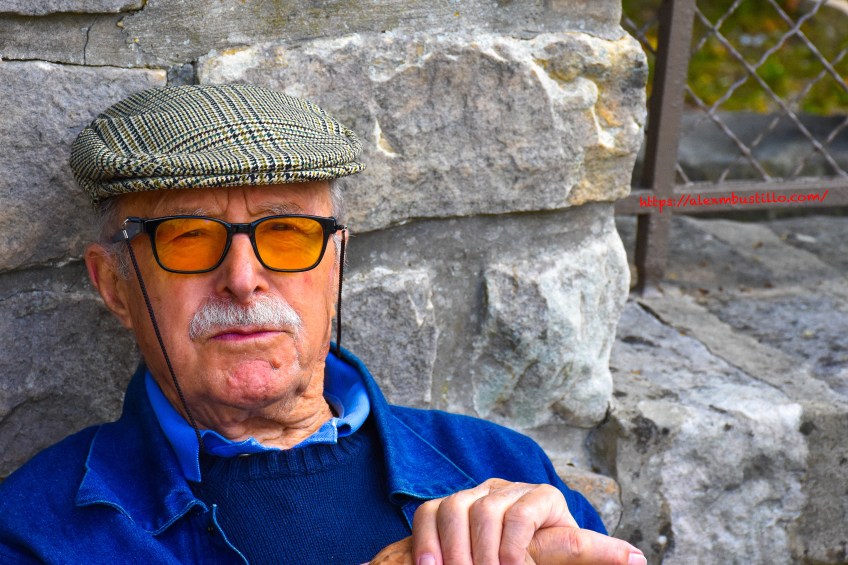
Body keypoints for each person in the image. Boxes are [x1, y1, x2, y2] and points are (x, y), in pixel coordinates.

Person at [0, 84, 645, 565]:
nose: (244, 278)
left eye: (286, 233)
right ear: (115, 285)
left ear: (334, 264)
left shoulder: (497, 465)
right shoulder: (39, 529)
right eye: (190, 238)